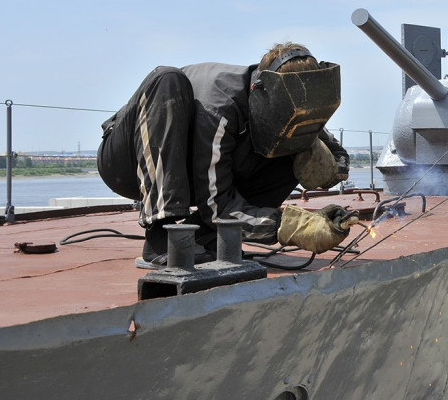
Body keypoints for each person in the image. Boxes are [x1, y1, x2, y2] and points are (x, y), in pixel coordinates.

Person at [97, 42, 355, 268]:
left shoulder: (298, 104)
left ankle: (204, 238)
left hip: (197, 169)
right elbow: (216, 206)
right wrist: (289, 227)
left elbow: (339, 157)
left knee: (293, 147)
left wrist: (322, 162)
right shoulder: (221, 106)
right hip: (127, 162)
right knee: (167, 79)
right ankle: (161, 235)